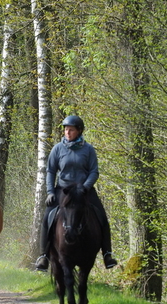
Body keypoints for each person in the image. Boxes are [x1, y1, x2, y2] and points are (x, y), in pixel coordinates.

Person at [35, 115, 118, 271]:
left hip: (84, 190)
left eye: (71, 130)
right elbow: (51, 171)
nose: (67, 132)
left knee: (102, 217)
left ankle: (107, 254)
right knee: (47, 217)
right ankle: (43, 255)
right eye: (66, 129)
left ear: (79, 131)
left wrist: (86, 187)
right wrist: (50, 192)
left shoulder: (88, 150)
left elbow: (94, 171)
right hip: (63, 190)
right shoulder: (58, 149)